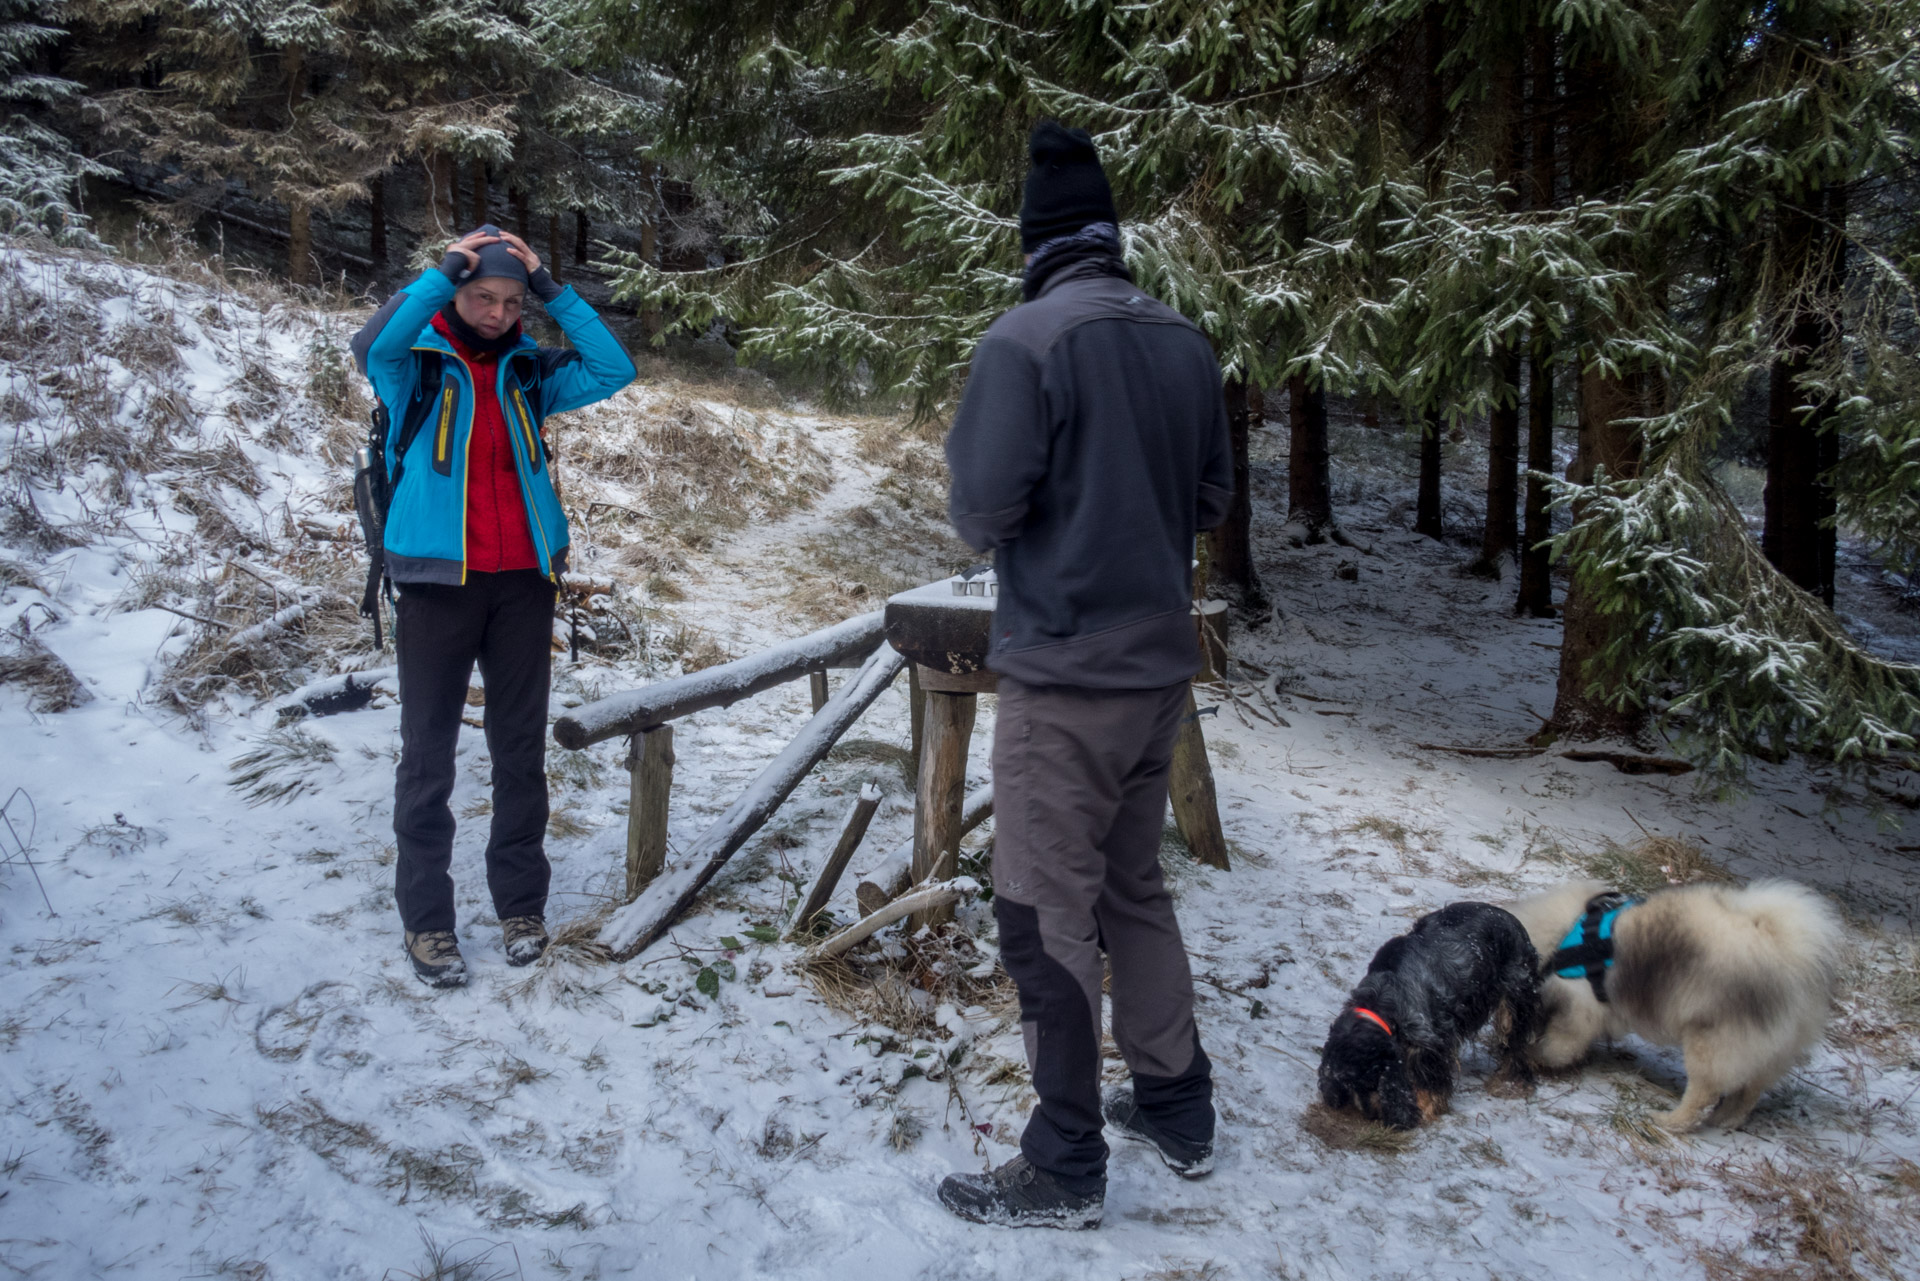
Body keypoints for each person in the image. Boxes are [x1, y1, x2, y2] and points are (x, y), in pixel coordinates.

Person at [936, 122, 1234, 1229]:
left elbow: (979, 513)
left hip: (1063, 682)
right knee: (1132, 888)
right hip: (1159, 672)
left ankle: (1064, 1163)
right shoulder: (1186, 343)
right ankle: (1176, 1104)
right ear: (1111, 237)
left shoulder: (1025, 342)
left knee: (1040, 911)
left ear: (1037, 243)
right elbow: (1209, 503)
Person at [351, 225, 637, 988]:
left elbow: (615, 367)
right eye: (485, 296)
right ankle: (428, 922)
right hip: (438, 585)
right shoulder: (415, 367)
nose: (498, 312)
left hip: (522, 584)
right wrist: (442, 273)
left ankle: (520, 906)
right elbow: (370, 344)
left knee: (519, 750)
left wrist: (552, 290)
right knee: (429, 755)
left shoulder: (530, 372)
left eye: (512, 301)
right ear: (457, 294)